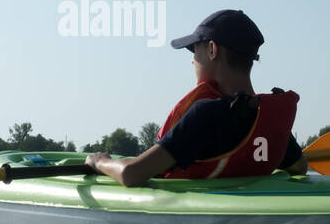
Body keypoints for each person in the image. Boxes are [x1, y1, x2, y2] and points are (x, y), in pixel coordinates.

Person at [85, 9, 307, 187]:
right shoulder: (267, 120)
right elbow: (300, 167)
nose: (193, 61)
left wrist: (100, 162)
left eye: (194, 51)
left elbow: (132, 174)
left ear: (212, 50)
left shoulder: (206, 115)